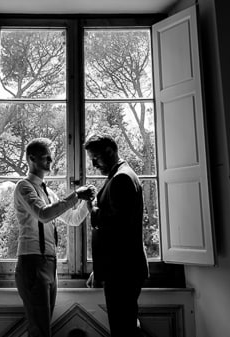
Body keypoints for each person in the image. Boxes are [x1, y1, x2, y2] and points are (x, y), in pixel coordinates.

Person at [14, 137, 95, 337]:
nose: (50, 161)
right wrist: (76, 195)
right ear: (31, 158)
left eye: (51, 157)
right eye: (46, 157)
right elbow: (43, 214)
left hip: (51, 263)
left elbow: (74, 219)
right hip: (31, 261)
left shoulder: (49, 192)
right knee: (39, 329)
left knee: (44, 327)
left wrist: (86, 201)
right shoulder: (24, 187)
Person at [83, 133, 149, 336]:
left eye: (96, 158)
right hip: (123, 269)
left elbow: (113, 229)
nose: (94, 165)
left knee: (123, 329)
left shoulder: (121, 178)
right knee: (126, 326)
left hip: (122, 271)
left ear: (110, 151)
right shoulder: (121, 175)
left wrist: (90, 206)